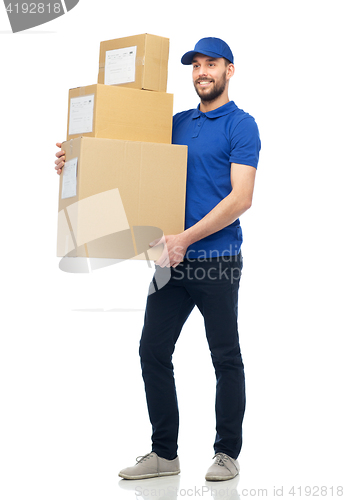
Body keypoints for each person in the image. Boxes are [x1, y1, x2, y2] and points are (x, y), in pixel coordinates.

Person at [55, 37, 261, 482]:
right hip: (171, 260)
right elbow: (129, 162)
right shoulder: (175, 123)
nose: (202, 72)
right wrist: (76, 161)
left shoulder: (242, 126)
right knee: (152, 350)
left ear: (230, 71)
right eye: (196, 66)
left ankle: (226, 453)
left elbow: (242, 198)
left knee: (225, 357)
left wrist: (185, 238)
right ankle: (164, 453)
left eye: (212, 64)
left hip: (217, 259)